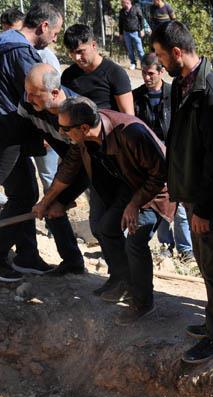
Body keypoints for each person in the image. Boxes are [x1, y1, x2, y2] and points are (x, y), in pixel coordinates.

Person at [151, 20, 213, 363]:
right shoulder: (184, 83)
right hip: (195, 189)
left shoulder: (212, 92)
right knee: (206, 263)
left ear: (177, 52)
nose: (160, 62)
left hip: (212, 196)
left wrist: (205, 209)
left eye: (162, 56)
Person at [34, 96, 170, 322]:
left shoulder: (130, 133)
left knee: (136, 239)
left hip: (155, 190)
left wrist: (135, 204)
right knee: (105, 228)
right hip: (131, 186)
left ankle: (143, 303)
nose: (61, 132)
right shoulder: (84, 138)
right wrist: (46, 201)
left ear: (84, 127)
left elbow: (160, 174)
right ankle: (124, 281)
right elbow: (69, 168)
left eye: (65, 128)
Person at [0, 3, 64, 282]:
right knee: (24, 196)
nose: (55, 39)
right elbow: (44, 97)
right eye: (56, 32)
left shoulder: (6, 45)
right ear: (43, 26)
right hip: (2, 137)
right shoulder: (22, 55)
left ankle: (26, 256)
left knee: (23, 193)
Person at [14, 64, 87, 276]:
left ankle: (121, 277)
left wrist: (50, 200)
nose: (28, 98)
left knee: (102, 223)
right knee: (53, 211)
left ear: (54, 93)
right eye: (27, 92)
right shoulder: (29, 104)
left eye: (34, 94)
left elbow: (75, 165)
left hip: (93, 166)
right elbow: (22, 134)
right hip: (70, 162)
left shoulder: (76, 112)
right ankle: (73, 262)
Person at [131, 53, 193, 262]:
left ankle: (186, 249)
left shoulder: (173, 93)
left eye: (150, 73)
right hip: (149, 160)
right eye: (143, 73)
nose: (146, 78)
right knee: (158, 202)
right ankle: (166, 245)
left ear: (161, 72)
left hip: (173, 157)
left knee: (180, 205)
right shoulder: (136, 96)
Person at [61, 24, 134, 114]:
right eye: (72, 52)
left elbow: (128, 117)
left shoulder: (115, 73)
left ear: (94, 45)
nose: (76, 57)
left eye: (80, 51)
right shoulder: (68, 75)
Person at [118, 0, 148, 70]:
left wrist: (142, 29)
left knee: (140, 50)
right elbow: (120, 23)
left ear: (128, 2)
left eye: (123, 2)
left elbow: (142, 19)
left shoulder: (136, 9)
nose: (122, 4)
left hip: (136, 33)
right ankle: (133, 63)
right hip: (126, 33)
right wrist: (121, 34)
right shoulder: (122, 11)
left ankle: (143, 64)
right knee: (130, 50)